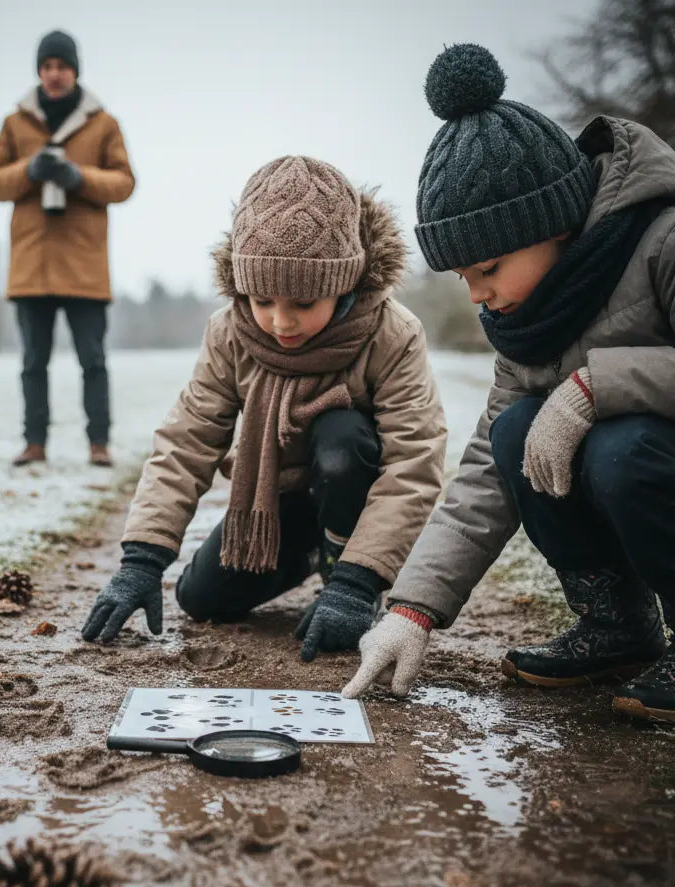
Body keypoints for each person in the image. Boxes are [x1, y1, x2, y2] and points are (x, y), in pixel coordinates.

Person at [345, 44, 675, 723]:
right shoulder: (526, 321)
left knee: (622, 449)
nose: (476, 296)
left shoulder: (663, 241)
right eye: (463, 279)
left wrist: (591, 390)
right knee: (516, 431)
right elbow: (481, 481)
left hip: (651, 456)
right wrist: (413, 610)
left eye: (487, 268)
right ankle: (616, 623)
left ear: (549, 225)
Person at [82, 156, 447, 659]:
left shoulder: (392, 333)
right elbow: (187, 442)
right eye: (263, 299)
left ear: (342, 284)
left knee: (342, 437)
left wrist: (357, 582)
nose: (281, 321)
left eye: (302, 303)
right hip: (277, 505)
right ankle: (310, 549)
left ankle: (342, 563)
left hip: (354, 495)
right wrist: (141, 559)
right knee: (200, 598)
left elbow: (414, 462)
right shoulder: (229, 333)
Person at [0, 30, 135, 469]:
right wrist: (28, 171)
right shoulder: (16, 123)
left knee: (93, 361)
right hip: (31, 265)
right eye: (47, 66)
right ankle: (34, 444)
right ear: (39, 71)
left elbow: (125, 183)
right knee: (33, 362)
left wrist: (78, 177)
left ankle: (99, 445)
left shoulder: (103, 124)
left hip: (84, 265)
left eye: (61, 66)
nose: (54, 74)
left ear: (75, 70)